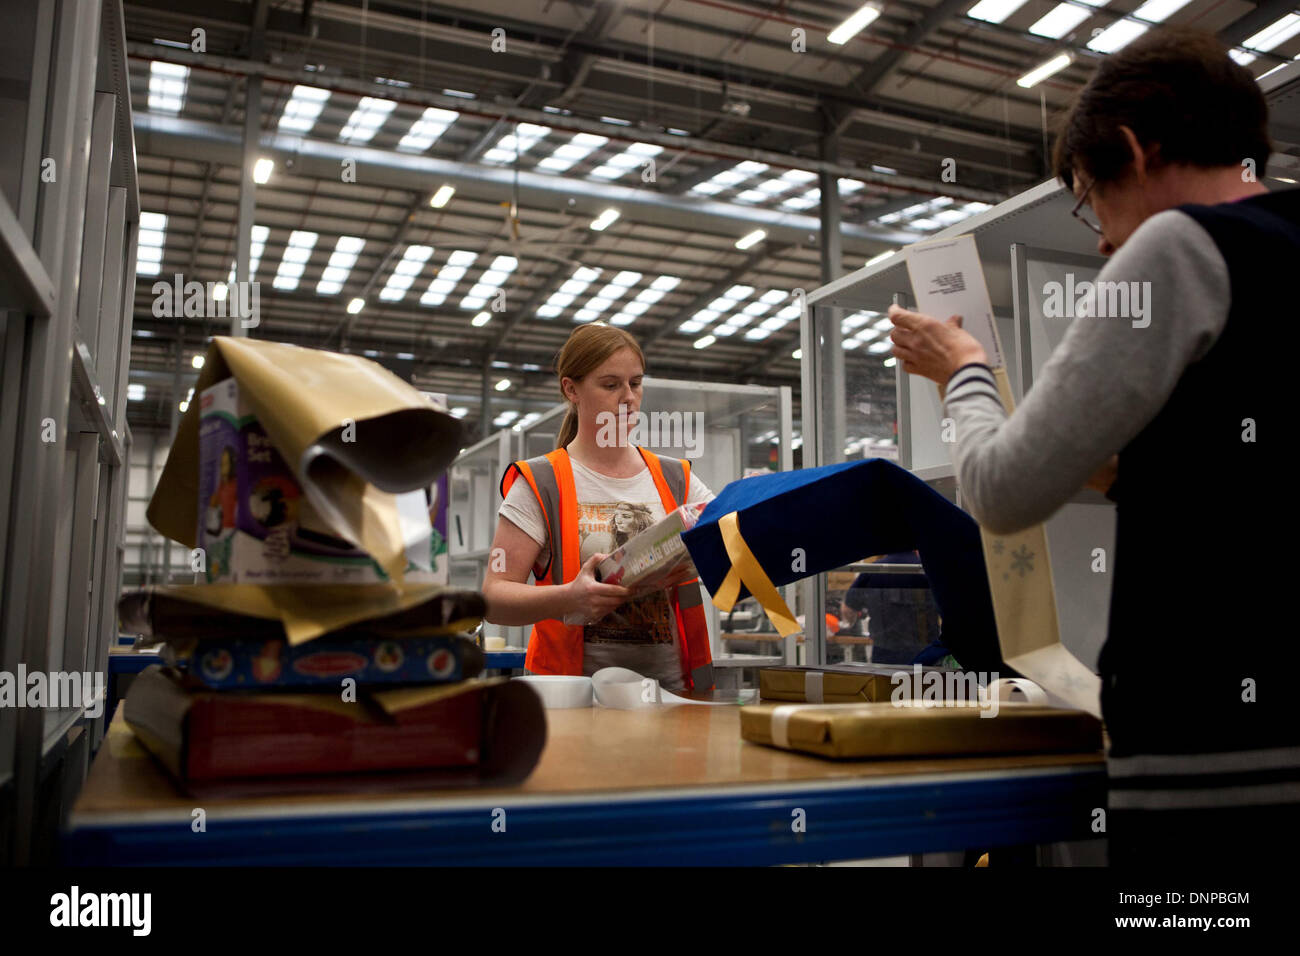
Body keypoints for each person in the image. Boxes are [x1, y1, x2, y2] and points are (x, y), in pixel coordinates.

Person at [886, 28, 1298, 866]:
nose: (1103, 241)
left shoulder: (1179, 248)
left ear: (1131, 148)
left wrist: (963, 371)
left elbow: (1002, 492)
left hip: (1210, 746)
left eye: (1089, 199)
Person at [482, 323, 716, 692]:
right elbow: (493, 598)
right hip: (573, 700)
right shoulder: (542, 483)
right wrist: (568, 598)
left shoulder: (677, 478)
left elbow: (729, 538)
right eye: (610, 385)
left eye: (635, 383)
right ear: (571, 389)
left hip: (671, 695)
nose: (628, 398)